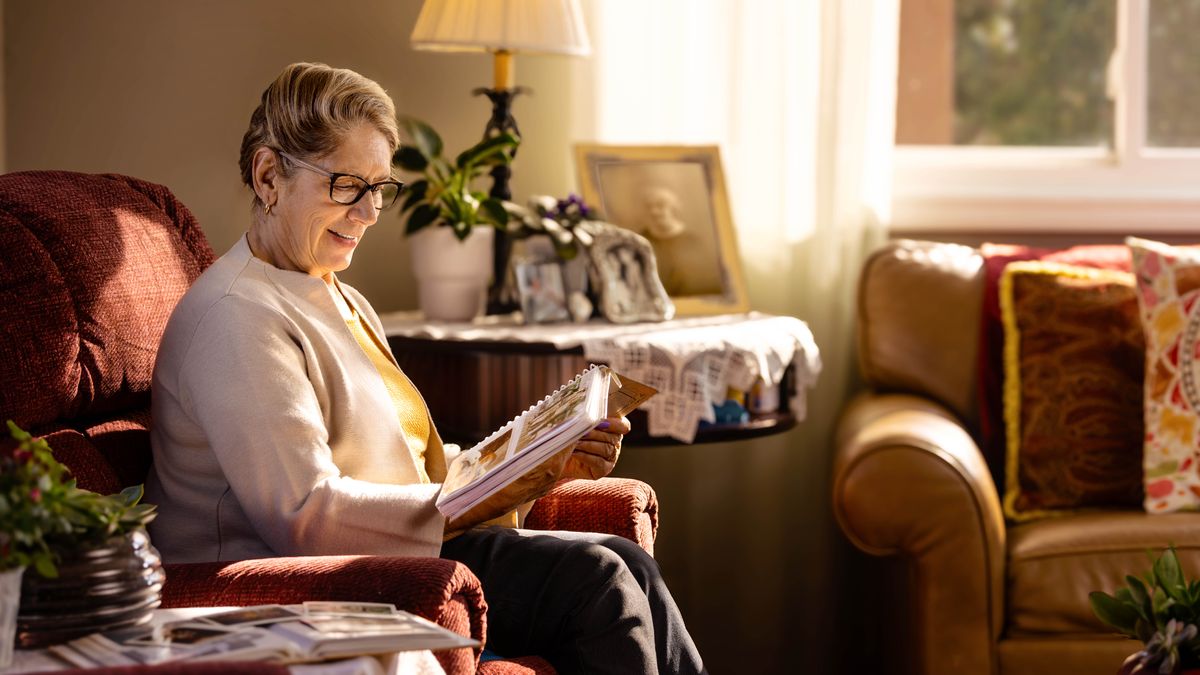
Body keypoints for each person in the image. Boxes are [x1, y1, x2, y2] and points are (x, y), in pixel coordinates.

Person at [145, 62, 705, 675]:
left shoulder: (336, 293)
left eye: (380, 188)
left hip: (405, 545)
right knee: (598, 580)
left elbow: (400, 463)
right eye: (345, 185)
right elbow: (304, 513)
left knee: (628, 562)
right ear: (268, 175)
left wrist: (537, 467)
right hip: (310, 579)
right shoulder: (235, 316)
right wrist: (464, 505)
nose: (368, 214)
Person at [638, 186, 722, 296]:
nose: (654, 211)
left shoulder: (692, 242)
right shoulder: (640, 240)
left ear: (674, 208)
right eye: (649, 207)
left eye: (660, 205)